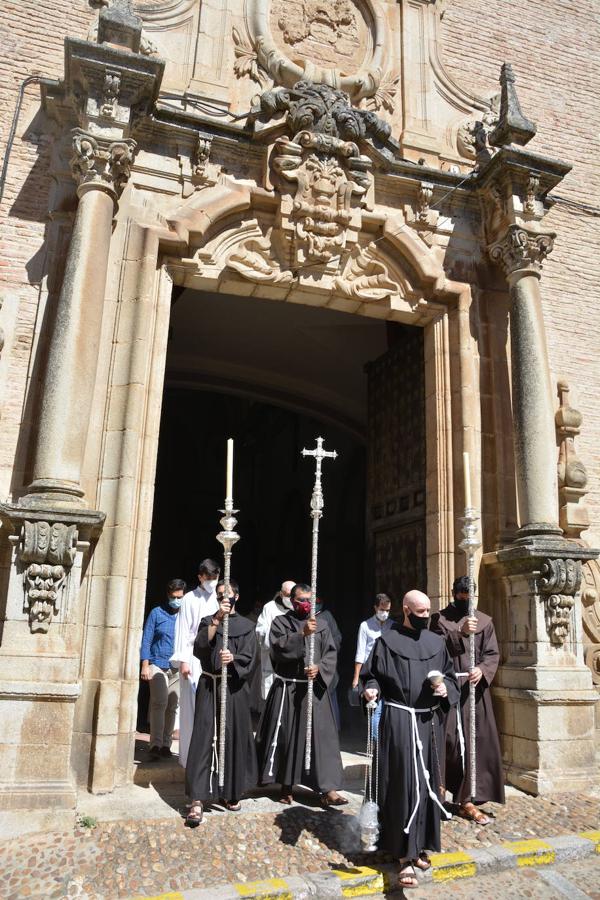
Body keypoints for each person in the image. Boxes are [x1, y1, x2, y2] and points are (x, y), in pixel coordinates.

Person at [362, 589, 459, 890]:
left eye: (428, 611)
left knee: (428, 783)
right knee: (404, 782)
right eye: (419, 613)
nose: (425, 617)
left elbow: (451, 677)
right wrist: (371, 689)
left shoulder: (436, 642)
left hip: (428, 721)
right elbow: (370, 675)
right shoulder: (385, 642)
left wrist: (446, 691)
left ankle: (421, 844)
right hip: (399, 721)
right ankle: (403, 855)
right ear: (405, 610)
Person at [255, 582, 347, 808]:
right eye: (301, 601)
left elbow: (331, 653)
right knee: (287, 736)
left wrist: (320, 668)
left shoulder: (322, 624)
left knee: (322, 738)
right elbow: (277, 649)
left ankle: (329, 788)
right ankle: (286, 785)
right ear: (292, 601)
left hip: (314, 689)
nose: (306, 605)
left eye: (309, 600)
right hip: (288, 688)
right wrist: (301, 634)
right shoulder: (281, 622)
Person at [430, 575, 505, 824]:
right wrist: (459, 632)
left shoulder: (484, 621)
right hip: (450, 690)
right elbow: (434, 649)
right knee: (448, 742)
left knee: (476, 744)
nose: (466, 600)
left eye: (470, 596)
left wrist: (482, 669)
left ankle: (468, 799)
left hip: (474, 692)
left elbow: (493, 653)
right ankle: (439, 794)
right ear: (454, 594)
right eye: (462, 596)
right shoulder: (439, 620)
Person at [184, 579, 258, 826]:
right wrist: (217, 618)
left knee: (232, 738)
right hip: (209, 686)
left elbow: (251, 659)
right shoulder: (209, 620)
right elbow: (201, 646)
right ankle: (197, 799)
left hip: (234, 690)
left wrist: (233, 658)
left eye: (227, 595)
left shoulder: (247, 627)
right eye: (219, 595)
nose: (224, 598)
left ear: (237, 595)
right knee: (204, 739)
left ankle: (230, 792)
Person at [170, 559, 220, 767]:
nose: (212, 582)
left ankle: (211, 755)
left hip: (213, 657)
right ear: (200, 577)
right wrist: (183, 660)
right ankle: (189, 757)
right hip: (192, 655)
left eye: (215, 578)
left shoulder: (219, 598)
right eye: (208, 578)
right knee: (191, 706)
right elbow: (182, 629)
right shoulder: (190, 598)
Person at [140, 578, 186, 760]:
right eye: (174, 597)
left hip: (177, 666)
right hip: (158, 663)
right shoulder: (157, 613)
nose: (177, 600)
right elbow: (146, 639)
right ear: (168, 595)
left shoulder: (185, 614)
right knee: (159, 703)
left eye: (180, 597)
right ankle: (155, 744)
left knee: (173, 706)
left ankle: (166, 744)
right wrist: (145, 664)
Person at [352, 593, 393, 734]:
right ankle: (375, 744)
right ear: (375, 608)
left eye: (387, 610)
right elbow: (360, 653)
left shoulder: (393, 626)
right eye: (382, 610)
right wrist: (356, 678)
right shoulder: (365, 626)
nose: (385, 613)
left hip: (388, 671)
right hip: (370, 673)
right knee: (374, 709)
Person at [255, 580, 295, 700]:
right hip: (273, 660)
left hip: (292, 661)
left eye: (293, 595)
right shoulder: (270, 607)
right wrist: (279, 643)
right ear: (281, 594)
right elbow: (261, 632)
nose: (291, 598)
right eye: (288, 595)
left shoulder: (298, 608)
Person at [315, 596, 342, 729]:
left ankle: (333, 727)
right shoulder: (304, 618)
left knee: (330, 696)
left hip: (327, 662)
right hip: (312, 665)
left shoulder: (327, 616)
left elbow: (337, 637)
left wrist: (328, 648)